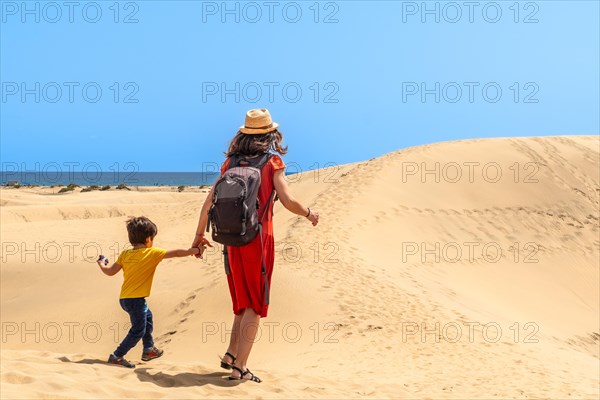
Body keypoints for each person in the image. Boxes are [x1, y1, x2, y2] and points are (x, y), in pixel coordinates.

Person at [191, 109, 319, 382]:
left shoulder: (230, 164)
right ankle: (241, 368)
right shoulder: (271, 162)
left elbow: (208, 201)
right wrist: (309, 213)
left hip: (230, 240)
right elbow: (287, 200)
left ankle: (230, 354)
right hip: (258, 240)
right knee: (255, 305)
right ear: (270, 134)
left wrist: (199, 235)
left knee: (241, 302)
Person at [96, 216, 208, 368]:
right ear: (148, 239)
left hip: (125, 299)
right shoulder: (152, 253)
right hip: (136, 301)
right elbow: (176, 253)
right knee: (137, 330)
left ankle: (149, 349)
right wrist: (196, 250)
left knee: (148, 317)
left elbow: (109, 272)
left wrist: (102, 263)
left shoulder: (125, 254)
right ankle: (117, 355)